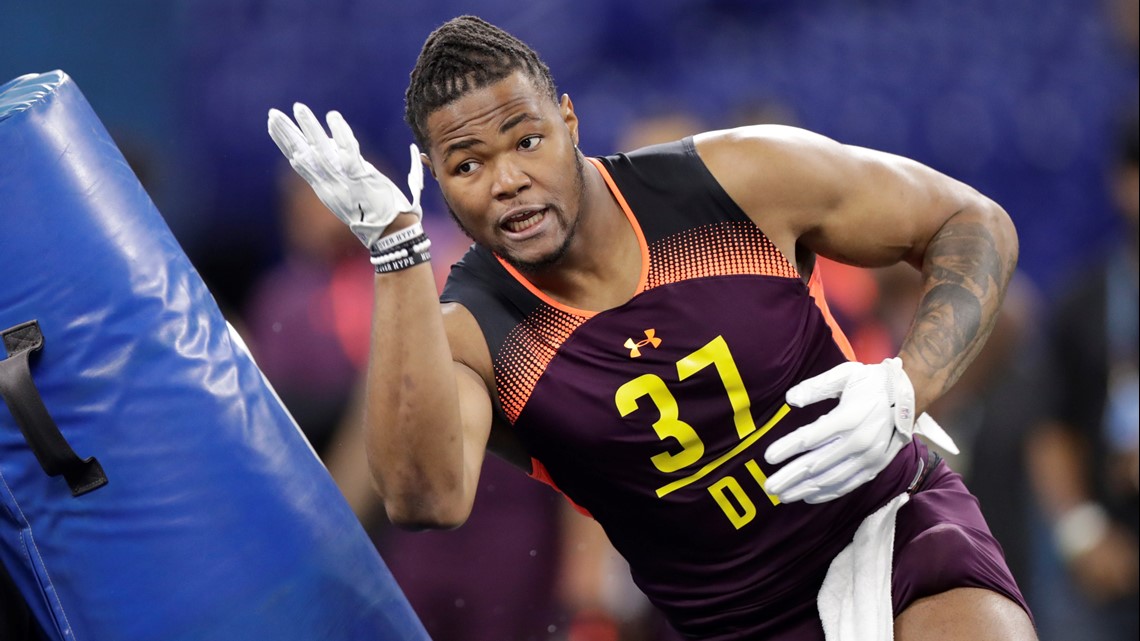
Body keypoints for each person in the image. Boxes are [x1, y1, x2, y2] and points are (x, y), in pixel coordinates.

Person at [266, 15, 1036, 640]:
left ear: (568, 120)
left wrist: (908, 383)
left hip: (886, 527)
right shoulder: (475, 329)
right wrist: (397, 250)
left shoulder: (734, 179)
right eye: (467, 165)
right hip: (729, 624)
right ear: (436, 178)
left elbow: (973, 221)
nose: (507, 181)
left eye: (526, 140)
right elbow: (423, 497)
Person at [1025, 113, 1139, 641]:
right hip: (1108, 565)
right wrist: (1083, 535)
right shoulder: (1083, 304)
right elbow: (1050, 429)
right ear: (1125, 183)